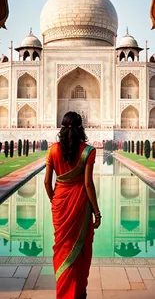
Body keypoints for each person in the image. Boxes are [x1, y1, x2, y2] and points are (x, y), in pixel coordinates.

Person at [44, 111, 101, 299]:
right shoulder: (88, 151)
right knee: (81, 248)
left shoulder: (52, 150)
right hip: (80, 205)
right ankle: (78, 292)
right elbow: (88, 184)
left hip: (59, 204)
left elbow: (46, 182)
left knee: (63, 248)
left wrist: (55, 200)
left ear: (62, 128)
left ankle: (64, 292)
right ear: (80, 128)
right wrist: (97, 212)